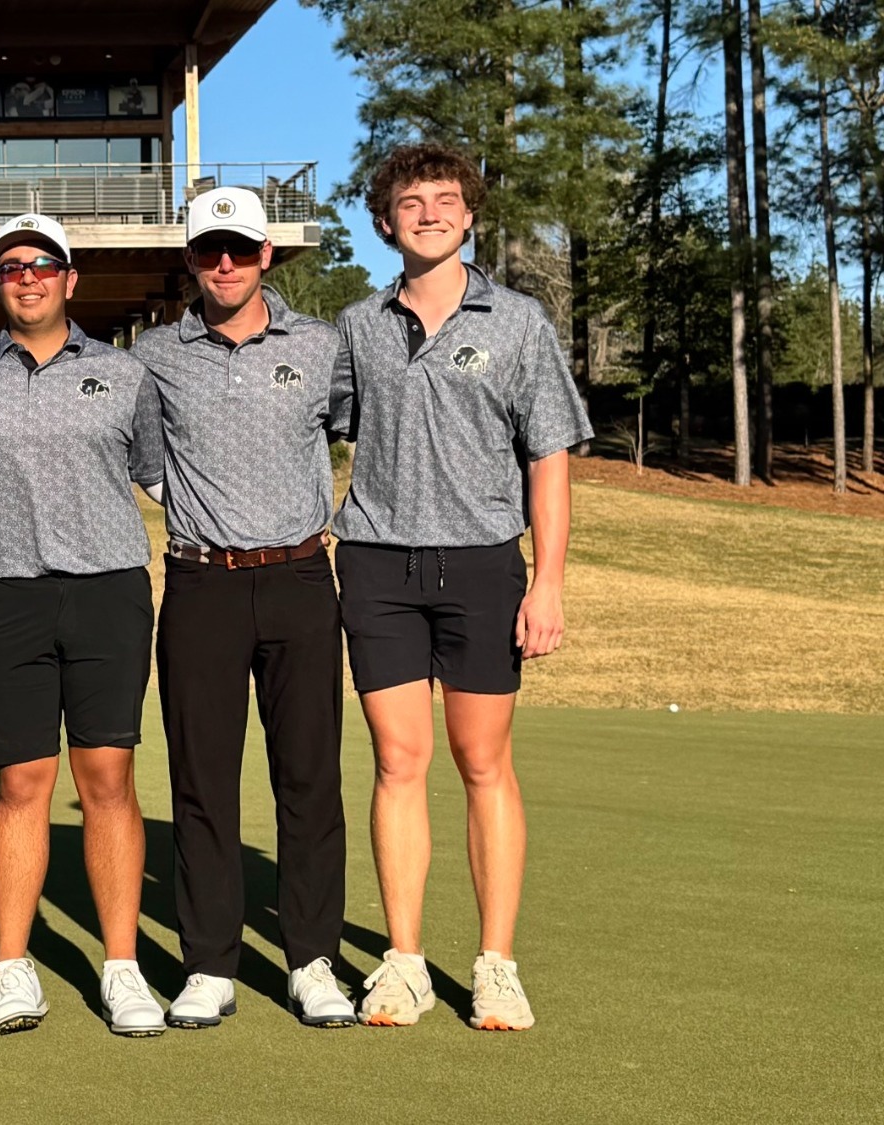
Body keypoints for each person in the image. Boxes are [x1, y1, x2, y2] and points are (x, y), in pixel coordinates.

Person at [330, 143, 592, 1031]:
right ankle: (403, 963)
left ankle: (495, 965)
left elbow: (548, 457)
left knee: (483, 762)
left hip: (482, 565)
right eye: (412, 202)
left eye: (447, 199)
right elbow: (320, 425)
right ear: (386, 221)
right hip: (377, 565)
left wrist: (547, 581)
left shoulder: (517, 321)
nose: (431, 213)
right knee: (398, 762)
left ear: (471, 215)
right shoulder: (358, 325)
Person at [0, 213, 170, 1038]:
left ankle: (122, 966)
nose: (27, 277)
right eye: (11, 267)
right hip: (9, 595)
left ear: (70, 279)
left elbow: (154, 470)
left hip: (108, 592)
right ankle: (11, 965)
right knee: (21, 782)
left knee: (108, 778)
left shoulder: (124, 374)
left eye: (43, 264)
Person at [129, 187, 356, 1030]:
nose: (223, 263)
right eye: (207, 250)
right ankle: (209, 963)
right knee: (202, 779)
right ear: (190, 260)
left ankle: (312, 958)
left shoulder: (321, 346)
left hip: (300, 580)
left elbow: (360, 431)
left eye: (238, 248)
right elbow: (147, 462)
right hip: (201, 585)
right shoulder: (157, 354)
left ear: (266, 254)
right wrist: (206, 513)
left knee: (310, 776)